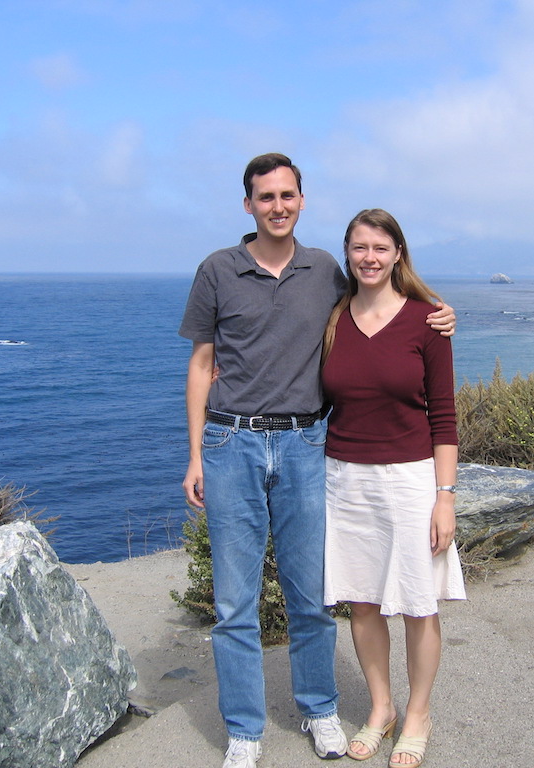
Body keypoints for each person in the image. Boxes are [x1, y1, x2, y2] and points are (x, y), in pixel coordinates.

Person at [179, 155, 455, 768]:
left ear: (303, 200)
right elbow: (201, 364)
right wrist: (195, 454)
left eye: (287, 195)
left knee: (312, 594)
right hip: (231, 443)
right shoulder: (217, 269)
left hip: (306, 445)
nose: (277, 206)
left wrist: (439, 310)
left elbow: (381, 301)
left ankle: (320, 708)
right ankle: (245, 730)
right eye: (265, 196)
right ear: (248, 205)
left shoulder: (325, 270)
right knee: (234, 602)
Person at [321, 209, 466, 768]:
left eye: (380, 248)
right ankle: (381, 708)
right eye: (360, 247)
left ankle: (418, 715)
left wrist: (445, 496)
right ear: (347, 252)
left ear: (398, 253)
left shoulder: (428, 321)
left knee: (418, 606)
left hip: (410, 480)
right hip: (344, 478)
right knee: (362, 603)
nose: (370, 258)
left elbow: (444, 416)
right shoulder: (333, 318)